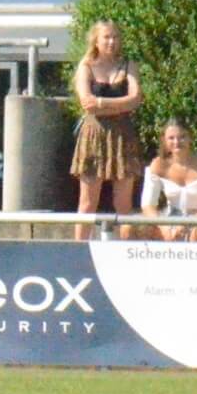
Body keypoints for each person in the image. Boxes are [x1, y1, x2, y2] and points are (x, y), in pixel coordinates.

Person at [71, 20, 143, 241]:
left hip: (123, 135)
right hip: (94, 135)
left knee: (124, 204)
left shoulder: (128, 65)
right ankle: (77, 250)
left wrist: (100, 103)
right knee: (87, 202)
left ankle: (126, 251)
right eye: (107, 37)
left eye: (115, 37)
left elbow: (136, 98)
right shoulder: (87, 67)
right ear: (96, 40)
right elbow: (86, 103)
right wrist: (121, 103)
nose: (112, 42)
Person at [131, 120, 197, 242]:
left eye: (182, 137)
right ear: (164, 141)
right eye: (171, 138)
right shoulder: (158, 165)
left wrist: (187, 224)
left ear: (190, 138)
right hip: (170, 219)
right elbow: (147, 205)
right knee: (128, 228)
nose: (177, 142)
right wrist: (163, 226)